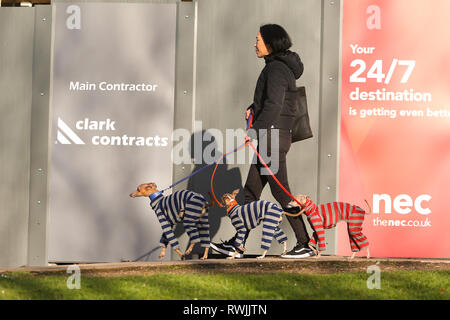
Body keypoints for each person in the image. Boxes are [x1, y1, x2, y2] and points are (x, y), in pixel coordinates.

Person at [211, 24, 314, 259]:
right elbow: (272, 102)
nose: (254, 44)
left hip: (272, 139)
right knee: (250, 193)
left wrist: (254, 131)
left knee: (281, 192)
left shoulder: (276, 69)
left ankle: (305, 243)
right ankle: (237, 245)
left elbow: (275, 105)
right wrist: (253, 108)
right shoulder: (278, 67)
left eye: (258, 39)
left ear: (270, 43)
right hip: (272, 137)